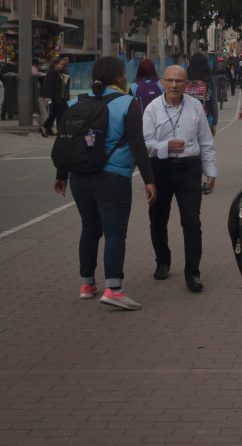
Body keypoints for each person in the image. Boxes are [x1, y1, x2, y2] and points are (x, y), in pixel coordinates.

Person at [52, 54, 156, 309]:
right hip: (113, 178)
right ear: (120, 76)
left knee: (89, 229)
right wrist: (149, 180)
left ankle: (87, 284)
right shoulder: (127, 102)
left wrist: (61, 175)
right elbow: (138, 146)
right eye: (123, 72)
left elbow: (67, 139)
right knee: (114, 232)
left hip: (79, 177)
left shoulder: (77, 100)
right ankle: (114, 289)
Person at [142, 64, 218, 292]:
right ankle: (162, 262)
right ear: (162, 82)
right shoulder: (152, 109)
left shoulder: (195, 106)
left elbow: (206, 141)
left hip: (189, 169)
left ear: (187, 84)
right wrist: (166, 146)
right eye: (170, 80)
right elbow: (145, 144)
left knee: (192, 222)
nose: (174, 85)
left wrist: (211, 171)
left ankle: (192, 273)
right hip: (161, 169)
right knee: (158, 219)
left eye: (179, 81)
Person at [185, 51, 217, 132]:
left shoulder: (185, 80)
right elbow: (214, 103)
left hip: (187, 120)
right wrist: (214, 123)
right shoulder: (209, 81)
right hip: (206, 121)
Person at [40, 54, 71, 137]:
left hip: (61, 97)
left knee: (55, 114)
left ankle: (44, 127)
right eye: (60, 64)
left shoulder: (60, 73)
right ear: (55, 65)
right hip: (56, 97)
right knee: (61, 114)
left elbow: (63, 83)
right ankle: (60, 131)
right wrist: (47, 96)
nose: (62, 65)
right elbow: (49, 86)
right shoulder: (52, 74)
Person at [0, 57, 19, 121]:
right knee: (12, 100)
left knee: (6, 100)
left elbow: (0, 77)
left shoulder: (4, 66)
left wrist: (5, 82)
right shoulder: (14, 68)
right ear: (15, 61)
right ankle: (10, 115)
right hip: (13, 86)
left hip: (6, 86)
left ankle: (3, 115)